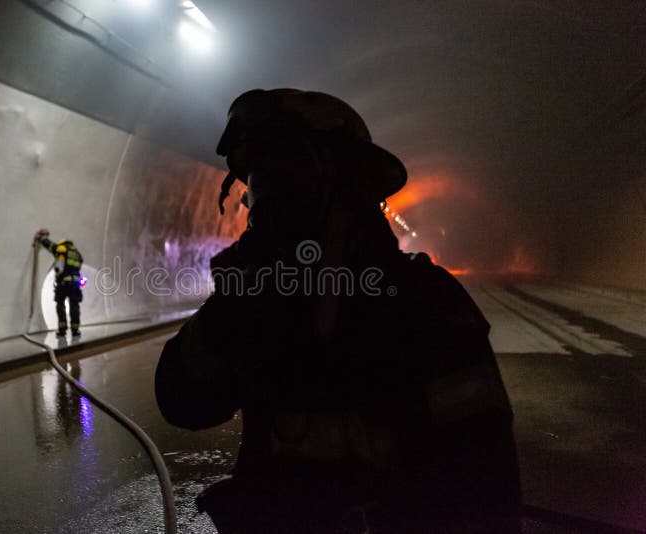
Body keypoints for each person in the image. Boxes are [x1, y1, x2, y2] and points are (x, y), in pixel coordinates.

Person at [155, 89, 521, 532]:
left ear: (336, 182)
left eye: (278, 177)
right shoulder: (263, 295)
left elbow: (487, 491)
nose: (258, 203)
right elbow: (183, 402)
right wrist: (235, 303)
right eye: (258, 182)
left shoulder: (425, 304)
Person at [34, 229, 83, 337]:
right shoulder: (77, 253)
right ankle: (75, 330)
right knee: (75, 306)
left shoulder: (62, 248)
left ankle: (62, 329)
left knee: (60, 305)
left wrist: (42, 239)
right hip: (75, 284)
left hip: (64, 283)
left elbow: (52, 247)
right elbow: (79, 269)